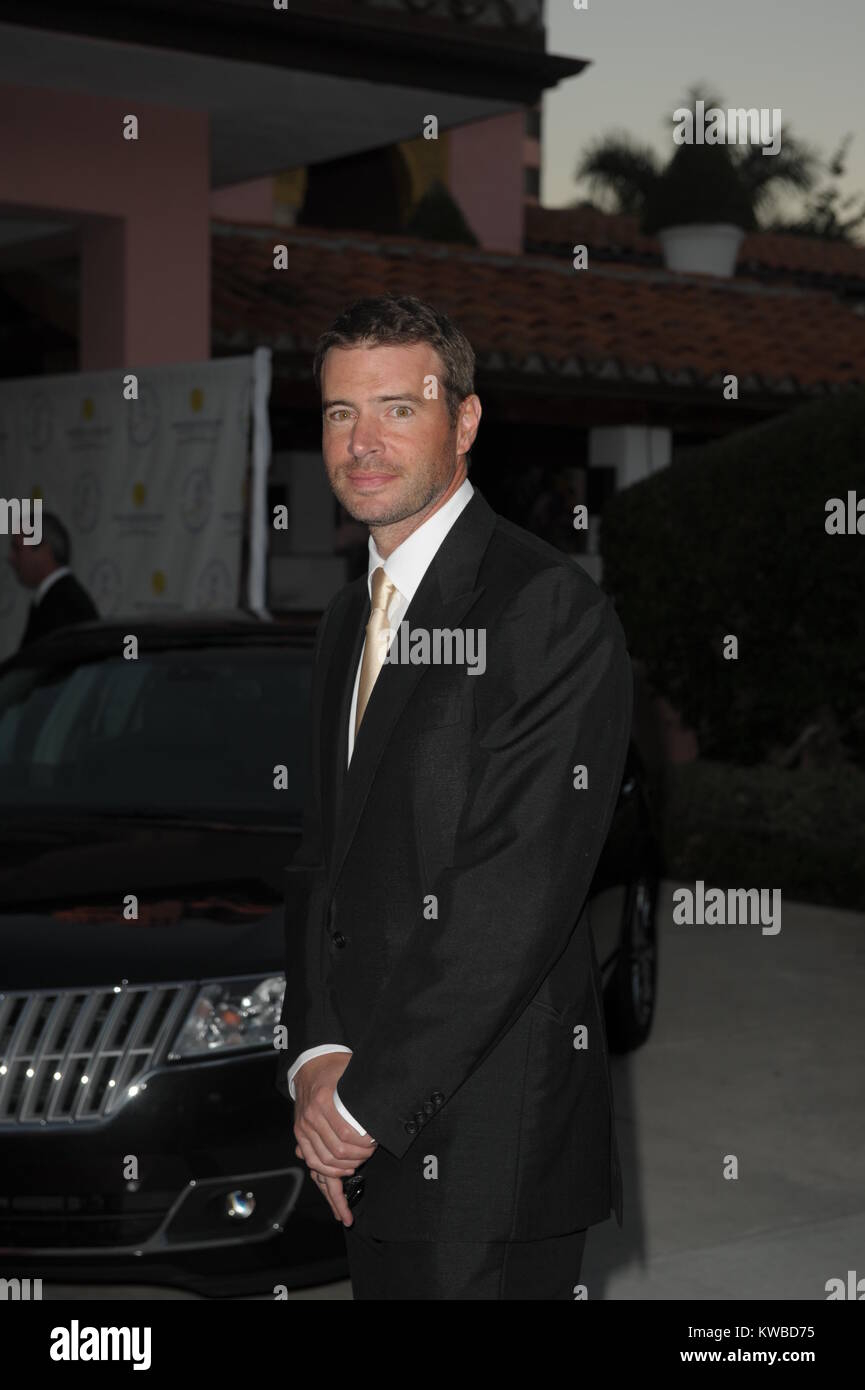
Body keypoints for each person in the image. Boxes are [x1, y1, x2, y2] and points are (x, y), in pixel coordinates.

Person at [275, 294, 633, 1300]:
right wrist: (316, 1056)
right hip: (358, 1123)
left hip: (486, 1152)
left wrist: (359, 1110)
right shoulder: (347, 619)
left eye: (398, 407)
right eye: (342, 413)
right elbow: (319, 862)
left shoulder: (543, 607)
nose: (364, 441)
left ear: (463, 421)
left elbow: (511, 898)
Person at [9, 511, 98, 649]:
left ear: (44, 552)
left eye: (17, 549)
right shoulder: (60, 599)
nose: (11, 558)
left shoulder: (64, 606)